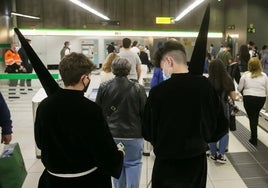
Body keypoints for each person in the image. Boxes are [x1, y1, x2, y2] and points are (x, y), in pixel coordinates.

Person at [34, 52, 124, 188]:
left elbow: (40, 142)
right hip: (87, 180)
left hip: (53, 180)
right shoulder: (91, 109)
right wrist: (118, 155)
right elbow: (103, 150)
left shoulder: (44, 106)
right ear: (84, 78)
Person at [142, 40, 221, 188]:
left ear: (169, 61)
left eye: (161, 66)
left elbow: (147, 131)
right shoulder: (205, 86)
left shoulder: (158, 93)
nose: (162, 71)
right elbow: (220, 125)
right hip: (196, 162)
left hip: (166, 163)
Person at [96, 57, 147, 188]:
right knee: (134, 164)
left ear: (112, 70)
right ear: (129, 70)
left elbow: (99, 113)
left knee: (116, 166)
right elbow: (145, 114)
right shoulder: (138, 88)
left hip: (112, 136)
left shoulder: (103, 87)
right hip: (133, 135)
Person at [207, 59, 236, 163]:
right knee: (224, 131)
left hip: (211, 109)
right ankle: (221, 155)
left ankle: (213, 154)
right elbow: (233, 96)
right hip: (224, 109)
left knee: (211, 130)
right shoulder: (228, 80)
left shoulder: (208, 80)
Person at [238, 57, 268, 146]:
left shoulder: (245, 75)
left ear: (249, 65)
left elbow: (239, 88)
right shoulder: (264, 76)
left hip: (248, 98)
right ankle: (254, 135)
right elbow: (267, 90)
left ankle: (254, 138)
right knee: (255, 115)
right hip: (260, 99)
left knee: (252, 117)